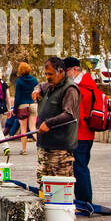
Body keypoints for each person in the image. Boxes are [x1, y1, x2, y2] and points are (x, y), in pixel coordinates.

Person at [36, 56, 81, 188]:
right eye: (45, 74)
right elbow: (40, 85)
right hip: (44, 146)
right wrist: (36, 89)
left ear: (61, 72)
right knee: (43, 184)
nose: (47, 77)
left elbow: (69, 114)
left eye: (50, 74)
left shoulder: (70, 89)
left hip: (60, 149)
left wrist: (48, 123)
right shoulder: (49, 86)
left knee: (60, 186)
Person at [65, 56, 100, 205]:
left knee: (79, 168)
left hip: (79, 133)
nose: (65, 74)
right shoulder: (89, 85)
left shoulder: (79, 88)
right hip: (88, 133)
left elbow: (75, 114)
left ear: (74, 70)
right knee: (82, 166)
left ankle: (84, 201)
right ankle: (83, 199)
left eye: (66, 71)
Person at [12, 61, 38, 155]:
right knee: (33, 127)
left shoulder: (19, 81)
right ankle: (41, 146)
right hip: (33, 104)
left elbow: (17, 97)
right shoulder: (35, 80)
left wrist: (15, 110)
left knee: (23, 129)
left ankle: (23, 150)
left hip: (23, 105)